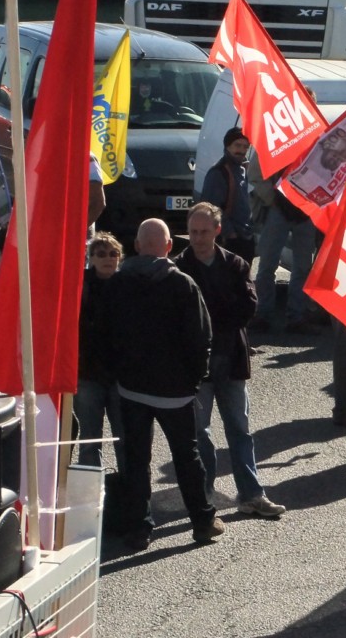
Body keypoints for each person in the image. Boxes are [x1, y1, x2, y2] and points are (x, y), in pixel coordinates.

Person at [105, 218, 220, 551]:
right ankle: (203, 521)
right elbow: (201, 339)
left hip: (131, 389)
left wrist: (120, 373)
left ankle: (139, 529)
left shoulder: (117, 284)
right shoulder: (182, 285)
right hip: (175, 392)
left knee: (136, 461)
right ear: (169, 247)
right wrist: (193, 380)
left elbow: (105, 334)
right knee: (187, 456)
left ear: (138, 246)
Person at [174, 203, 286, 518]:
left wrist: (204, 316)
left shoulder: (235, 265)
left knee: (240, 429)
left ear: (217, 230)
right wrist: (218, 314)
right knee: (200, 434)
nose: (197, 238)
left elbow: (247, 308)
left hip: (232, 362)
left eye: (204, 232)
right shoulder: (179, 267)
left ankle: (251, 494)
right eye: (193, 232)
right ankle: (204, 496)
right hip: (196, 368)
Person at [75, 232, 125, 470]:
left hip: (120, 377)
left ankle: (131, 494)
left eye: (113, 254)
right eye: (101, 254)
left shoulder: (128, 285)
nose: (108, 258)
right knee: (89, 441)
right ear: (91, 258)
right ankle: (89, 499)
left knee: (125, 439)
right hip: (88, 375)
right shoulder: (80, 286)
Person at [250, 168, 316, 335]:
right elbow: (255, 172)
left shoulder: (316, 141)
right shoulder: (276, 141)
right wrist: (272, 200)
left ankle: (297, 317)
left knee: (303, 267)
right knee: (267, 264)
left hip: (307, 208)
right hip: (278, 206)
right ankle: (263, 314)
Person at [200, 127, 255, 264]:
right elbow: (212, 209)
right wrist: (231, 234)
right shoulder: (218, 173)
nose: (241, 150)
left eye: (245, 147)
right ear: (227, 146)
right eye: (237, 145)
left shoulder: (241, 169)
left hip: (244, 237)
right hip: (229, 242)